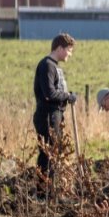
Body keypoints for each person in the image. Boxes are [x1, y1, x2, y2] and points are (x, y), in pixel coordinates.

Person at [32, 33, 77, 176]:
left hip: (55, 116)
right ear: (59, 48)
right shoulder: (47, 66)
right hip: (47, 117)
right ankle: (42, 194)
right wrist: (68, 96)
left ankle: (52, 192)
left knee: (55, 153)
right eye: (69, 50)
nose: (70, 54)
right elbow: (49, 94)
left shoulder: (55, 67)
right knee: (48, 155)